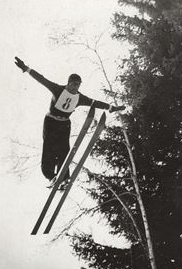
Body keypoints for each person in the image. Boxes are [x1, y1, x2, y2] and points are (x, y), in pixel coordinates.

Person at [13, 57, 125, 188]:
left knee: (64, 150)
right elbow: (42, 79)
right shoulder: (58, 89)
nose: (75, 87)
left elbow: (95, 102)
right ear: (68, 83)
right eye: (74, 84)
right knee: (49, 148)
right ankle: (50, 176)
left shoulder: (79, 97)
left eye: (78, 85)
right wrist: (26, 68)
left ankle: (64, 177)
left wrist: (111, 108)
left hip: (64, 125)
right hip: (51, 122)